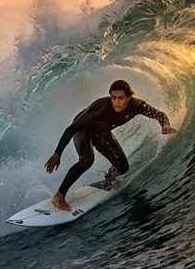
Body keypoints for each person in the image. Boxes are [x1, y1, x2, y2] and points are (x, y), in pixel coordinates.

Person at [44, 79, 176, 211]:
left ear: (129, 97)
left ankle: (110, 180)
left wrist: (165, 126)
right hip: (82, 130)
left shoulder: (138, 106)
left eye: (121, 98)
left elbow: (159, 115)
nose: (116, 102)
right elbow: (72, 129)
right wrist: (57, 154)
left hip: (102, 132)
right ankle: (59, 196)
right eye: (113, 98)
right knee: (87, 161)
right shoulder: (100, 106)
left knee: (122, 167)